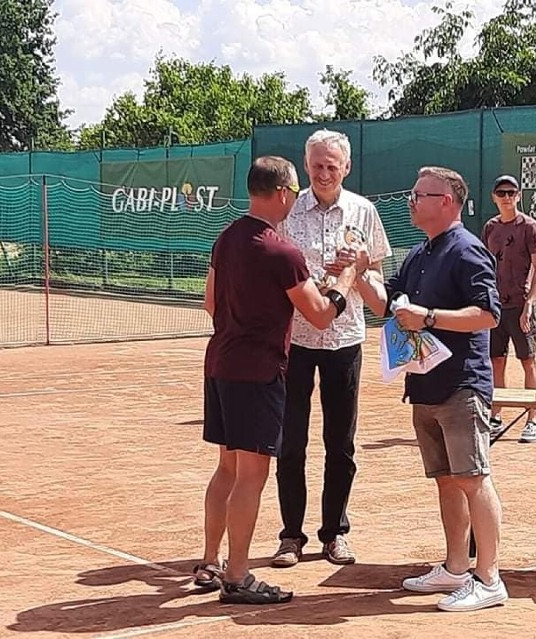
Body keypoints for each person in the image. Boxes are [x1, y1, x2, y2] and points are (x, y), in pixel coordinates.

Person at [196, 156, 358, 605]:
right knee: (252, 476)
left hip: (221, 363)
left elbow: (211, 301)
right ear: (284, 193)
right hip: (257, 372)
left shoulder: (226, 239)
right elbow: (322, 316)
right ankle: (239, 576)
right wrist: (347, 277)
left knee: (226, 469)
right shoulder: (281, 250)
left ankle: (211, 561)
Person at [356, 166, 508, 612]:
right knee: (446, 481)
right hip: (425, 384)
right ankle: (456, 568)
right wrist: (361, 273)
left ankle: (489, 578)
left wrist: (428, 317)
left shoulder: (467, 250)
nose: (412, 200)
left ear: (446, 201)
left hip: (462, 385)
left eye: (420, 194)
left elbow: (489, 314)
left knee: (473, 478)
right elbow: (388, 304)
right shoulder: (420, 253)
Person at [271, 129, 391, 568]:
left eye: (332, 166)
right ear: (306, 165)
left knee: (340, 443)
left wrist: (357, 273)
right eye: (317, 164)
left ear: (347, 167)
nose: (324, 173)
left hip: (345, 340)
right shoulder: (287, 210)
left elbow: (376, 275)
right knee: (290, 443)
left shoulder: (364, 211)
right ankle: (290, 536)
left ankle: (335, 533)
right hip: (295, 341)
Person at [481, 175, 536, 444]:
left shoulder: (529, 227)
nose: (507, 197)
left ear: (518, 196)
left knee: (528, 361)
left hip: (520, 306)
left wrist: (529, 304)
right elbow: (484, 264)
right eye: (501, 193)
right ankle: (496, 416)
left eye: (511, 192)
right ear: (494, 198)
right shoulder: (490, 228)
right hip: (496, 307)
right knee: (496, 361)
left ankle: (533, 420)